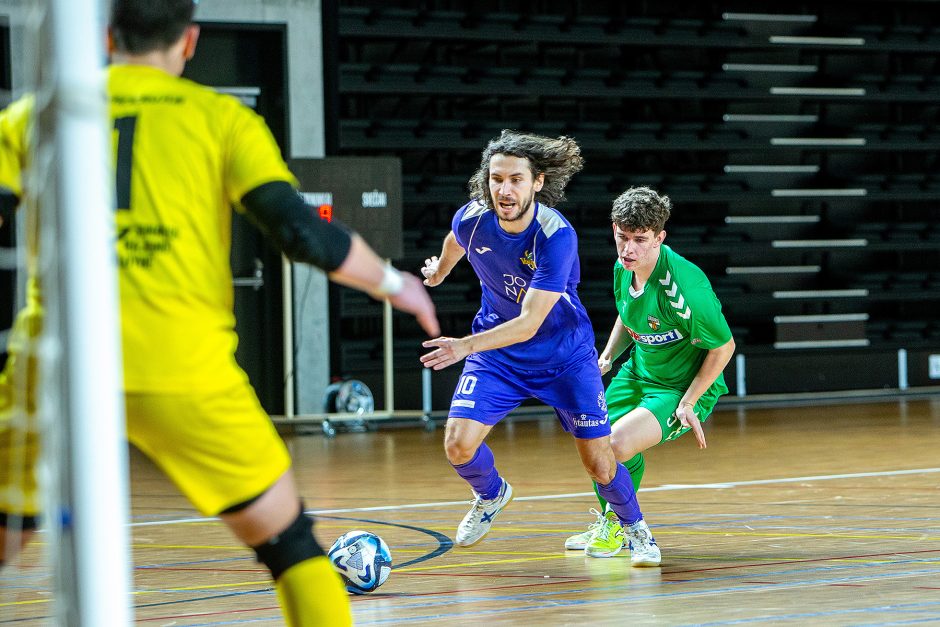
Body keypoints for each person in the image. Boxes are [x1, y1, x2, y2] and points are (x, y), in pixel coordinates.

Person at [0, 1, 440, 625]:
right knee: (292, 550)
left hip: (53, 369)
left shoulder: (34, 114)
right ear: (189, 41)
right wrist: (397, 284)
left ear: (104, 35)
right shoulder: (219, 120)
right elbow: (301, 233)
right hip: (186, 371)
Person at [419, 130, 659, 563]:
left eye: (515, 179)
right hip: (498, 355)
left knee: (600, 465)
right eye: (496, 179)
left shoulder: (555, 235)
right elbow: (456, 241)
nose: (503, 190)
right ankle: (490, 494)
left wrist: (462, 347)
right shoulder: (472, 218)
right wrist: (439, 271)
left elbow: (530, 322)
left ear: (538, 183)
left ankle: (635, 529)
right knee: (457, 444)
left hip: (563, 357)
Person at [564, 186, 735, 555]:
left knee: (615, 445)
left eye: (640, 240)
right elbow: (630, 317)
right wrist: (607, 356)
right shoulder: (623, 268)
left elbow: (724, 346)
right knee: (592, 445)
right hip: (636, 374)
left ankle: (622, 527)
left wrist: (690, 401)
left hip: (678, 390)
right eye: (622, 238)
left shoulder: (686, 288)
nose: (629, 249)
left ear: (659, 238)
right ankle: (611, 519)